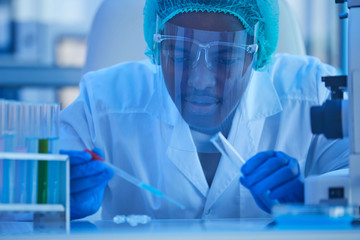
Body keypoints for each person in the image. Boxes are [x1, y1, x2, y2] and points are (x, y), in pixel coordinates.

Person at [60, 0, 349, 220]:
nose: (200, 80)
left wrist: (312, 197)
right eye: (179, 53)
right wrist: (57, 199)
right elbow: (29, 187)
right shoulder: (105, 101)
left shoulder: (312, 92)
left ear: (255, 52)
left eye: (226, 57)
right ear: (157, 46)